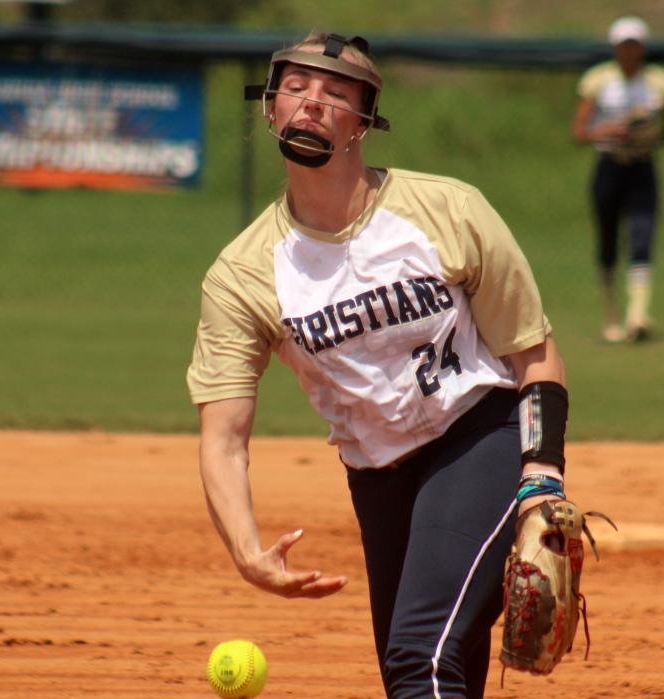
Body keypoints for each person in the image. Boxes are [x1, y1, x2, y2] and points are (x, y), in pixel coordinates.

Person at [187, 32, 569, 699]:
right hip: (375, 475)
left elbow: (533, 353)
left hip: (477, 438)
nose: (311, 104)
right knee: (430, 668)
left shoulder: (446, 209)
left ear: (363, 122)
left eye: (336, 94)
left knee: (417, 656)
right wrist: (248, 553)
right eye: (295, 89)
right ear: (268, 109)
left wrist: (541, 472)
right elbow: (223, 436)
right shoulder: (244, 272)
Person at [572, 16, 664, 342]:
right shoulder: (599, 80)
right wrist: (609, 131)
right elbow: (578, 131)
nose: (629, 52)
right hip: (609, 166)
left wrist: (648, 134)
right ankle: (612, 314)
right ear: (615, 49)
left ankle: (637, 316)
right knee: (608, 240)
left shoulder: (660, 83)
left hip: (642, 166)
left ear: (642, 48)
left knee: (642, 235)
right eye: (623, 46)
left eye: (634, 45)